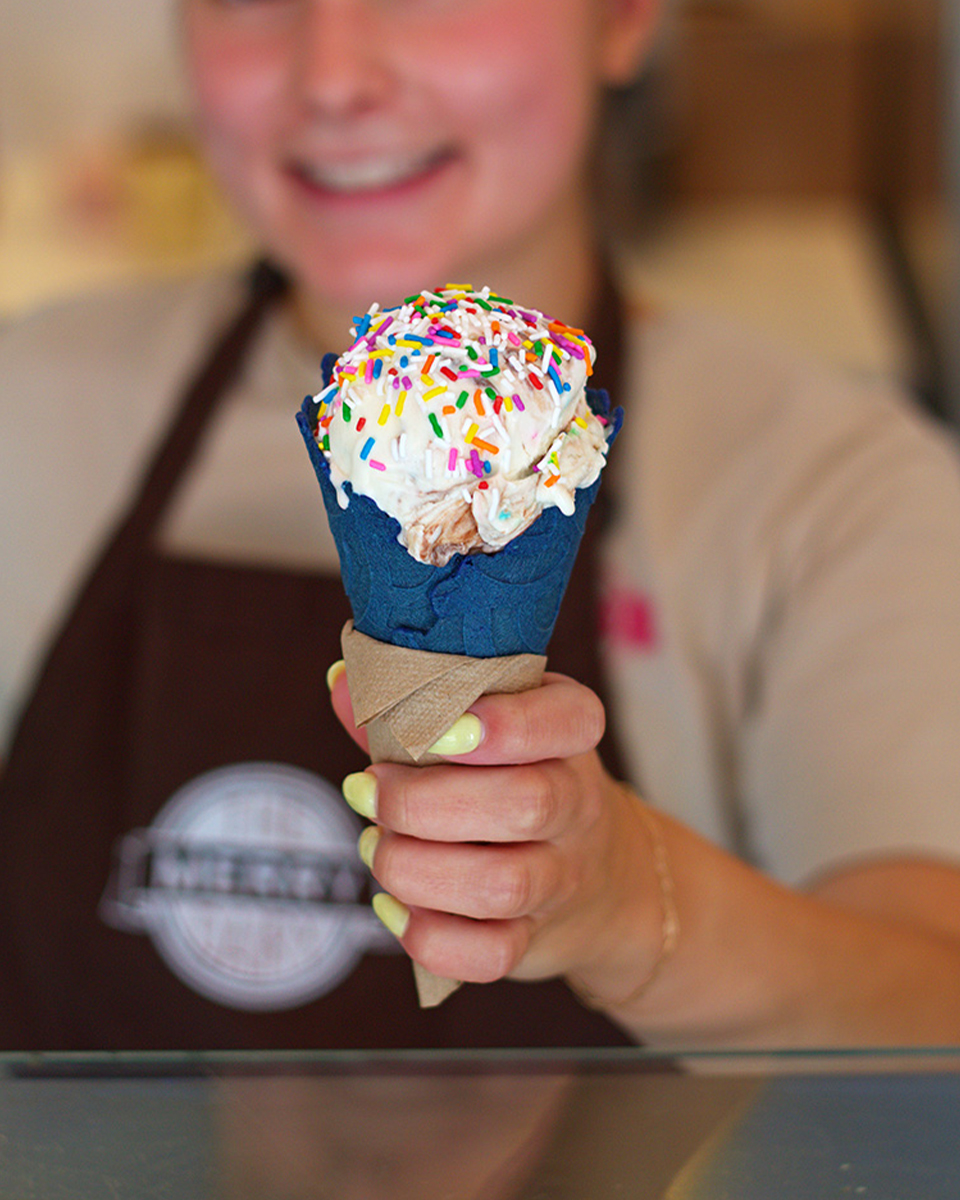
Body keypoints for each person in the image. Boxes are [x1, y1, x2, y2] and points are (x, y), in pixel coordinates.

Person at [1, 0, 960, 1051]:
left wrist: (633, 909)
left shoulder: (838, 489)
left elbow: (933, 1005)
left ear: (625, 17)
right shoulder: (25, 404)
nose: (331, 75)